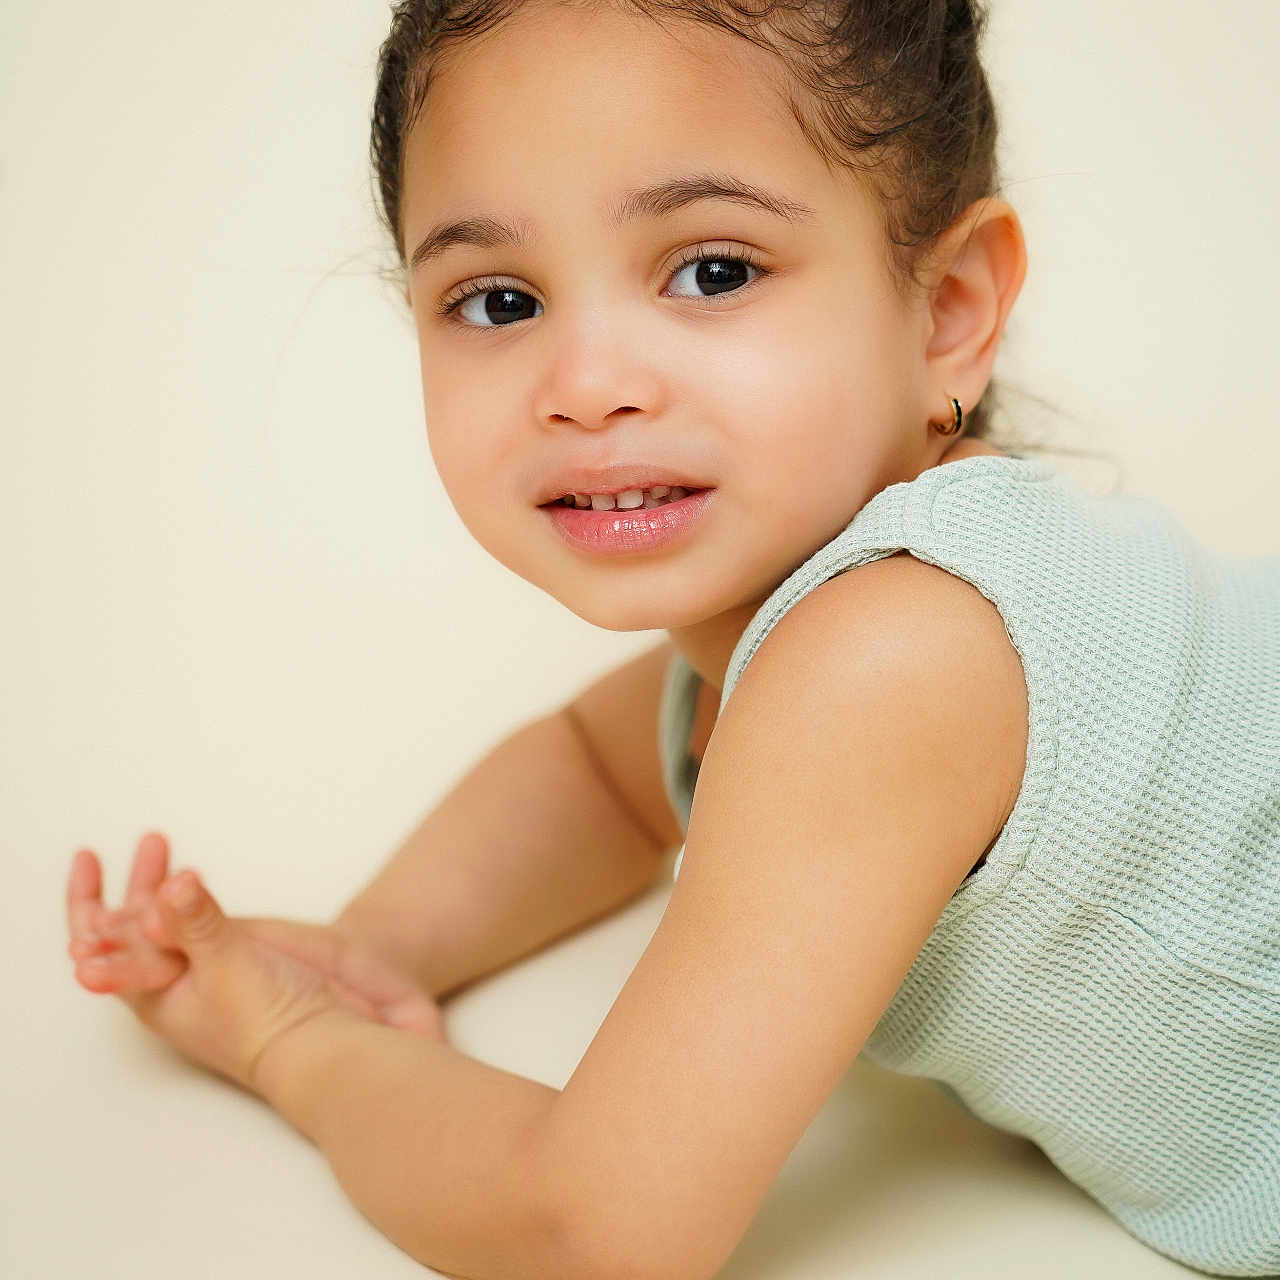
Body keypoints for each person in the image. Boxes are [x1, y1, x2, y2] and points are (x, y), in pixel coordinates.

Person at [64, 0, 1280, 1276]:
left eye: (712, 270)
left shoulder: (895, 654)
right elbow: (598, 779)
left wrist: (293, 1040)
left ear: (945, 311)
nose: (587, 384)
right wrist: (378, 947)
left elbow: (598, 1228)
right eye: (496, 300)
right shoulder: (820, 619)